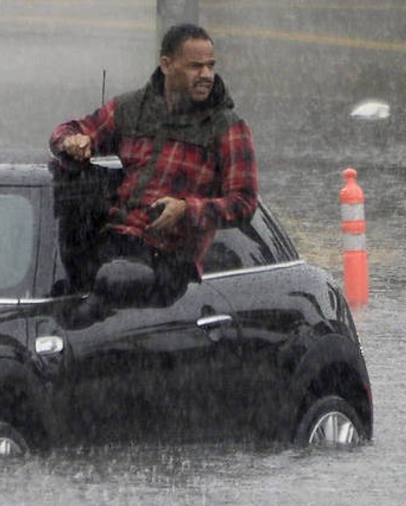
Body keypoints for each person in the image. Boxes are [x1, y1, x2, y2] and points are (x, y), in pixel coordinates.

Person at [49, 23, 258, 304]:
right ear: (166, 65)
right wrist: (72, 142)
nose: (206, 75)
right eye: (196, 66)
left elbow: (244, 203)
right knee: (68, 181)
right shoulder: (131, 109)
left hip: (168, 262)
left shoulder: (228, 128)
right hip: (110, 243)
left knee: (93, 311)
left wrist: (186, 209)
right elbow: (67, 131)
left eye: (210, 66)